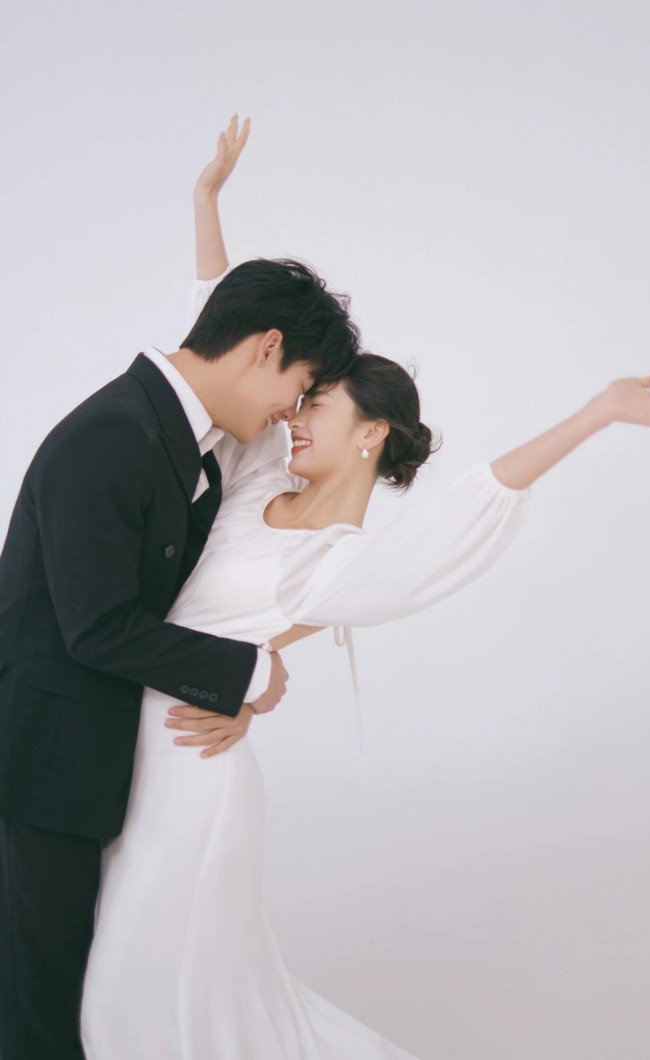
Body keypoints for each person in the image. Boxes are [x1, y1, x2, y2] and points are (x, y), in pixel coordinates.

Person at [77, 117, 650, 1058]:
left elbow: (475, 499)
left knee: (146, 997)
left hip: (189, 775)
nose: (293, 413)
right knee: (126, 988)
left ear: (371, 431)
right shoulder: (257, 477)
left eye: (317, 404)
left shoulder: (342, 562)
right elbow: (220, 347)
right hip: (124, 747)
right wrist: (206, 202)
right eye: (297, 398)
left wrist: (595, 413)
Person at [0, 115, 362, 1059]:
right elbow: (96, 627)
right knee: (41, 1018)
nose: (288, 413)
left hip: (89, 773)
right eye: (298, 387)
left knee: (84, 1010)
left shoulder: (186, 431)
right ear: (264, 347)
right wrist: (247, 674)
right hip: (36, 774)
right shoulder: (109, 439)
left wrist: (206, 202)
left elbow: (218, 306)